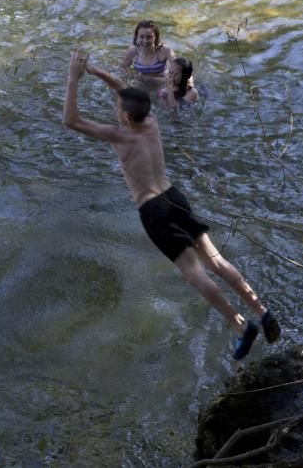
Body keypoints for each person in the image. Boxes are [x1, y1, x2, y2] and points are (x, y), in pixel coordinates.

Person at [63, 48, 279, 359]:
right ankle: (262, 310)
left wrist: (74, 78)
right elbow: (124, 91)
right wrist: (95, 71)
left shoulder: (119, 136)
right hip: (175, 196)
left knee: (195, 274)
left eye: (118, 107)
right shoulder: (150, 122)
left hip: (154, 210)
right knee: (216, 260)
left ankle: (240, 325)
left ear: (124, 115)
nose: (116, 107)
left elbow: (70, 120)